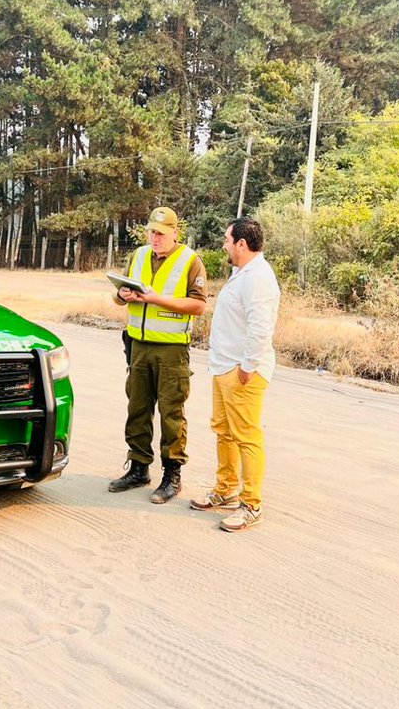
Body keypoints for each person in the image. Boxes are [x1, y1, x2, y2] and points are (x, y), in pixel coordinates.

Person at [108, 207, 208, 503]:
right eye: (152, 231)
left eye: (161, 233)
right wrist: (122, 295)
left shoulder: (190, 261)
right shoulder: (138, 256)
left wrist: (155, 299)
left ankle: (171, 474)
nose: (155, 238)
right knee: (137, 408)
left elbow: (198, 305)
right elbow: (117, 298)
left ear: (175, 232)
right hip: (138, 345)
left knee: (171, 413)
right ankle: (139, 467)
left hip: (171, 350)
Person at [191, 217, 280, 532]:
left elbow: (261, 326)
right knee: (224, 431)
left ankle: (251, 504)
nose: (224, 244)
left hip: (242, 371)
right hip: (224, 366)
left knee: (246, 436)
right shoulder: (241, 273)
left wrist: (247, 367)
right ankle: (226, 487)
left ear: (242, 244)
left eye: (227, 239)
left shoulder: (258, 278)